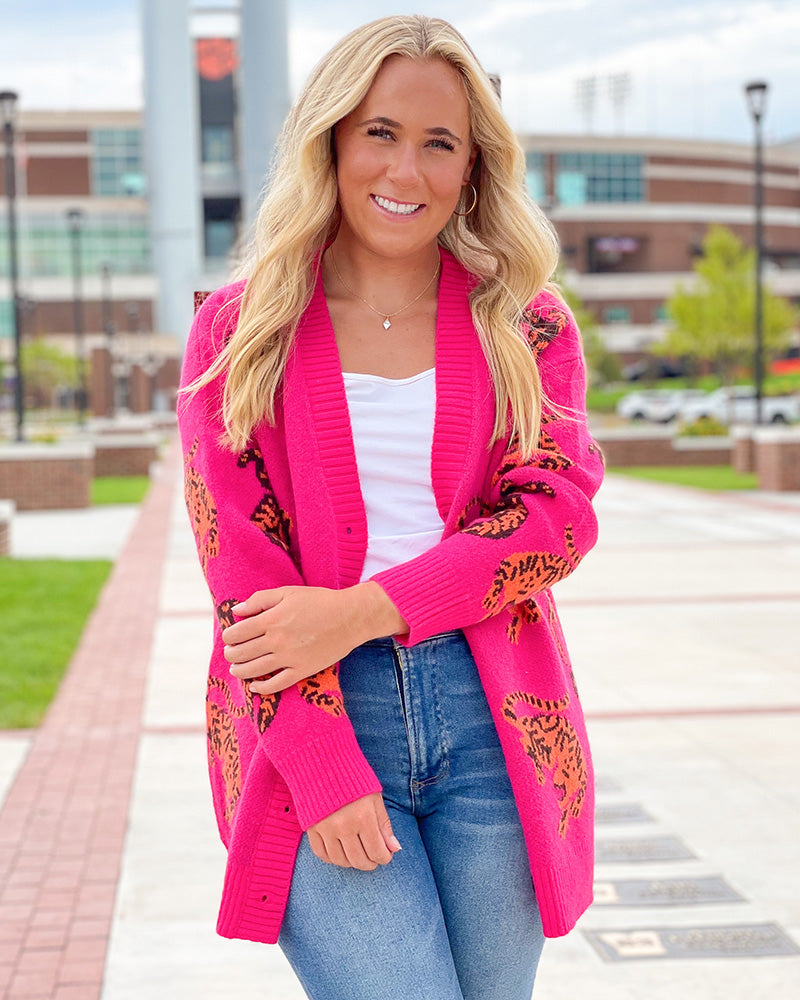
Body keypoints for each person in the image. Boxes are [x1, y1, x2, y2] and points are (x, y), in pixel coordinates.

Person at [178, 14, 604, 1000]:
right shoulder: (241, 331)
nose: (404, 169)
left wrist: (367, 608)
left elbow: (556, 517)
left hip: (494, 718)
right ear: (330, 136)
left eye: (438, 142)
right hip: (319, 708)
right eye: (379, 131)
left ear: (472, 165)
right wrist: (325, 766)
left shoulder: (524, 320)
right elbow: (243, 578)